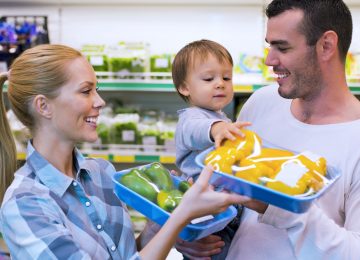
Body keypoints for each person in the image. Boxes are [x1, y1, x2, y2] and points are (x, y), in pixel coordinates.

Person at [0, 44, 245, 260]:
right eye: (86, 91)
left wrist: (157, 229)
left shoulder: (102, 174)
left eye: (97, 89)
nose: (100, 101)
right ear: (43, 106)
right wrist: (180, 216)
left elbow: (126, 255)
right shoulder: (25, 205)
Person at [177, 0, 360, 259]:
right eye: (269, 46)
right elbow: (237, 208)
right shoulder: (262, 102)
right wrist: (196, 234)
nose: (268, 60)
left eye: (282, 47)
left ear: (326, 45)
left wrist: (279, 206)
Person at [172, 39, 250, 259]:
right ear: (185, 87)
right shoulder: (191, 118)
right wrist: (217, 129)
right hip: (206, 214)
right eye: (209, 78)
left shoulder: (221, 117)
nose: (220, 83)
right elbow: (197, 130)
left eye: (227, 77)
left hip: (222, 208)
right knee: (214, 251)